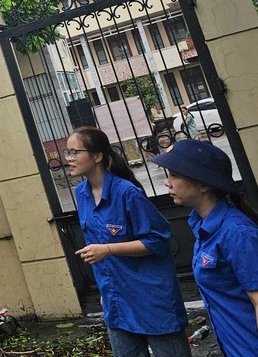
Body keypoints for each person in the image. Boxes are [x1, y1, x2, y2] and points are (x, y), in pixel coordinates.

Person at [152, 140, 258, 356]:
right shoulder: (201, 224)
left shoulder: (238, 234)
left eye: (175, 175)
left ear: (204, 184)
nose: (167, 182)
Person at [67, 126, 191, 357]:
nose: (69, 159)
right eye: (68, 153)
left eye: (75, 152)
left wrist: (108, 249)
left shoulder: (127, 193)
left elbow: (157, 241)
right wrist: (105, 289)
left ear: (97, 156)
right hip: (116, 300)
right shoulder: (81, 193)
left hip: (151, 298)